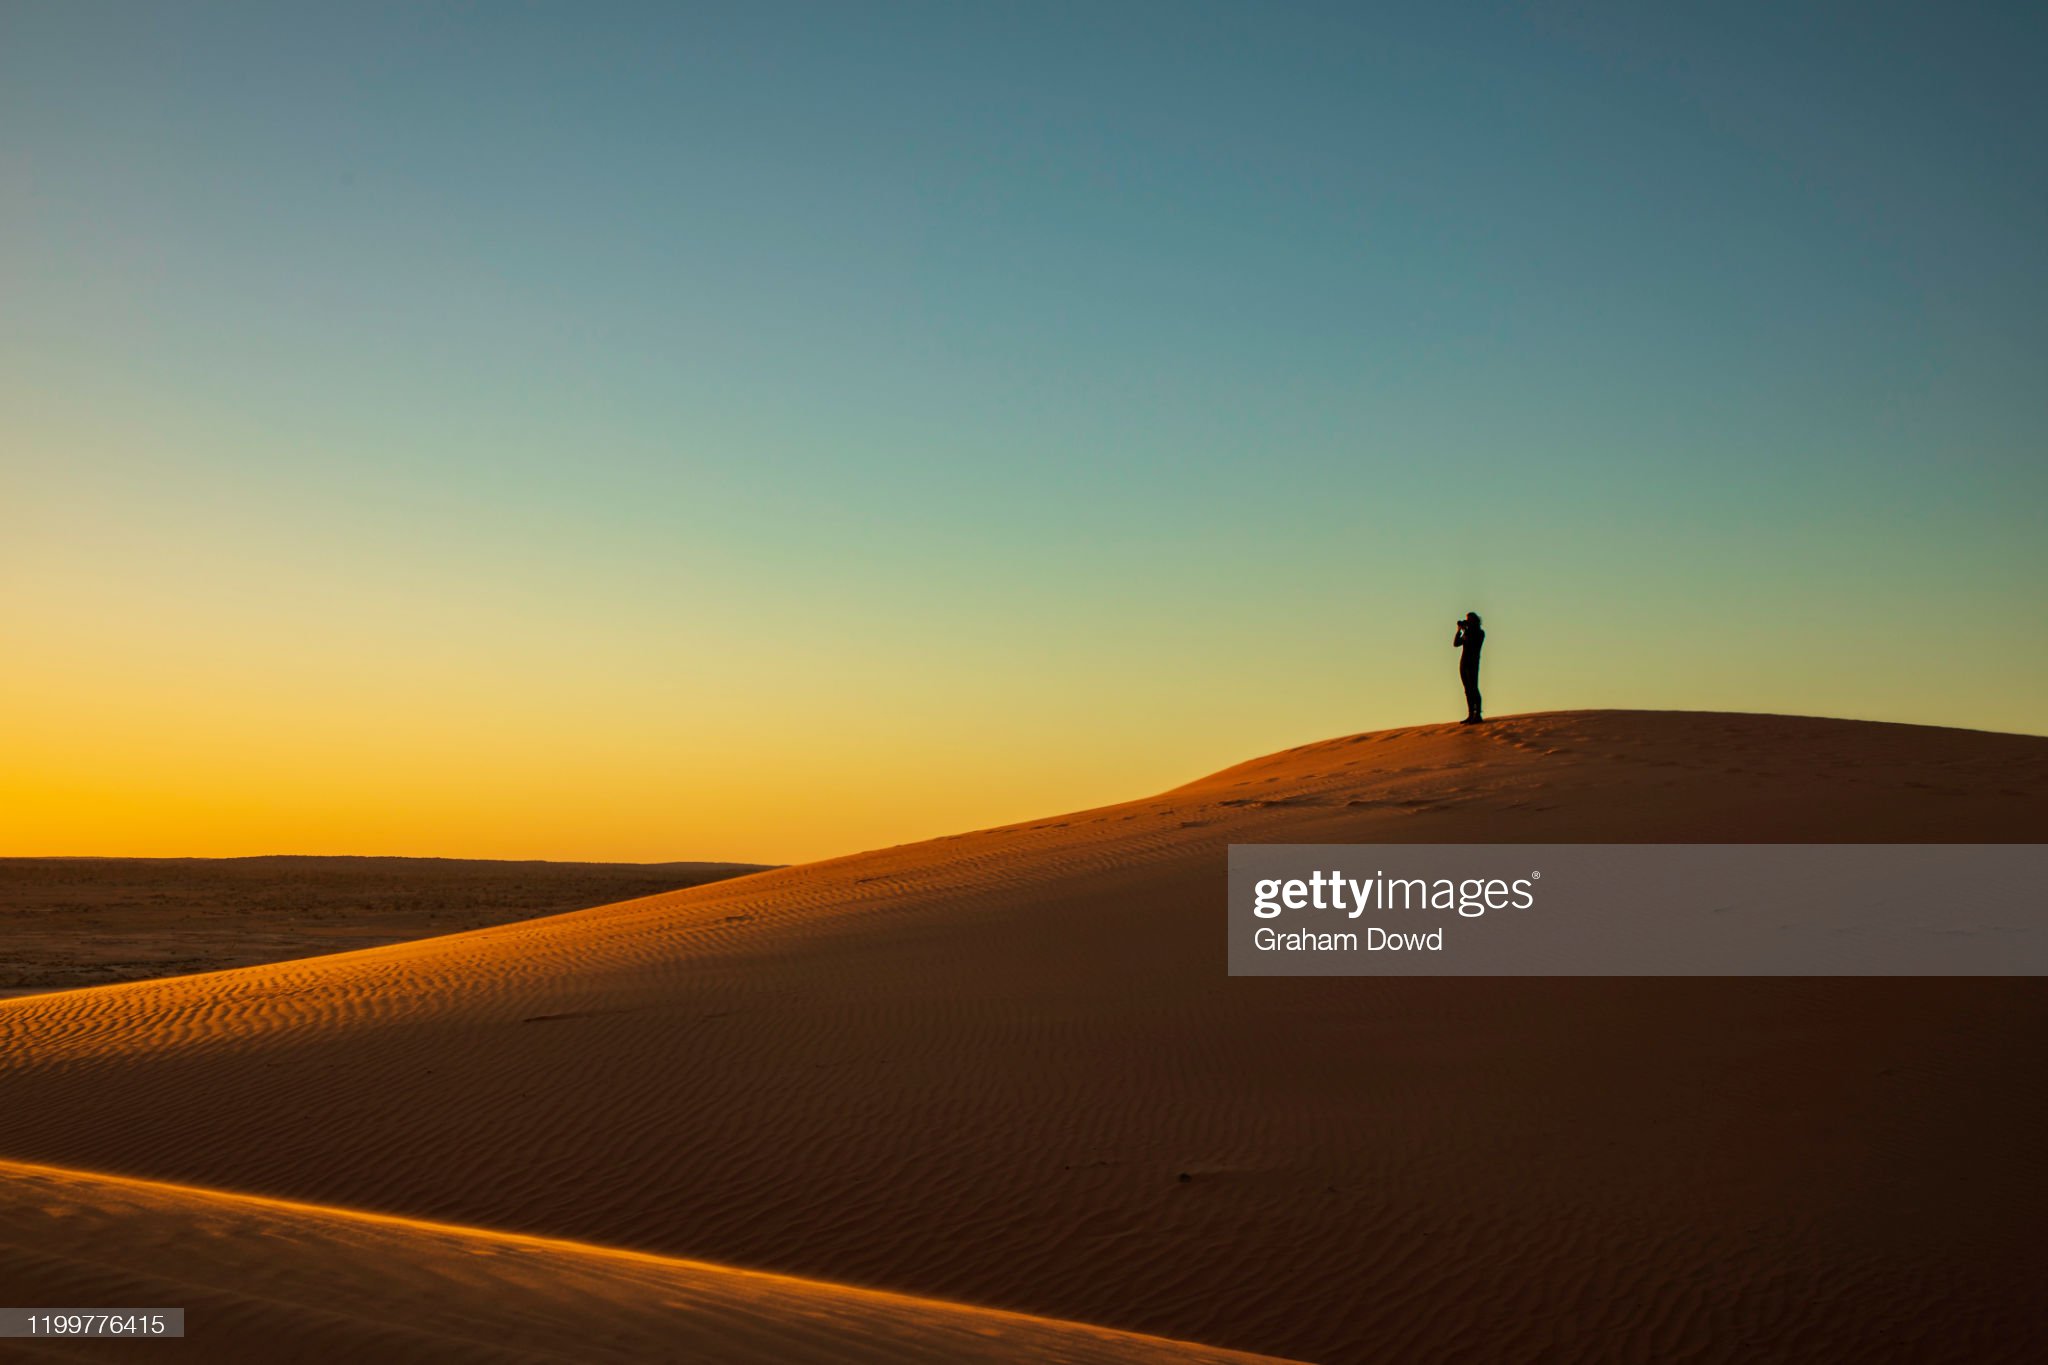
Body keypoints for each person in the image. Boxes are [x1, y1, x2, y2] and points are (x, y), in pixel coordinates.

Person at [1453, 612, 1484, 724]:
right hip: (1464, 663)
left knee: (1474, 688)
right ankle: (1471, 714)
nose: (1468, 622)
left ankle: (1478, 714)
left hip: (1473, 663)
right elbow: (1456, 644)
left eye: (1469, 620)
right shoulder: (1468, 632)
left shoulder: (1480, 633)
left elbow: (1474, 642)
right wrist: (1459, 631)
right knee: (1467, 689)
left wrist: (1466, 632)